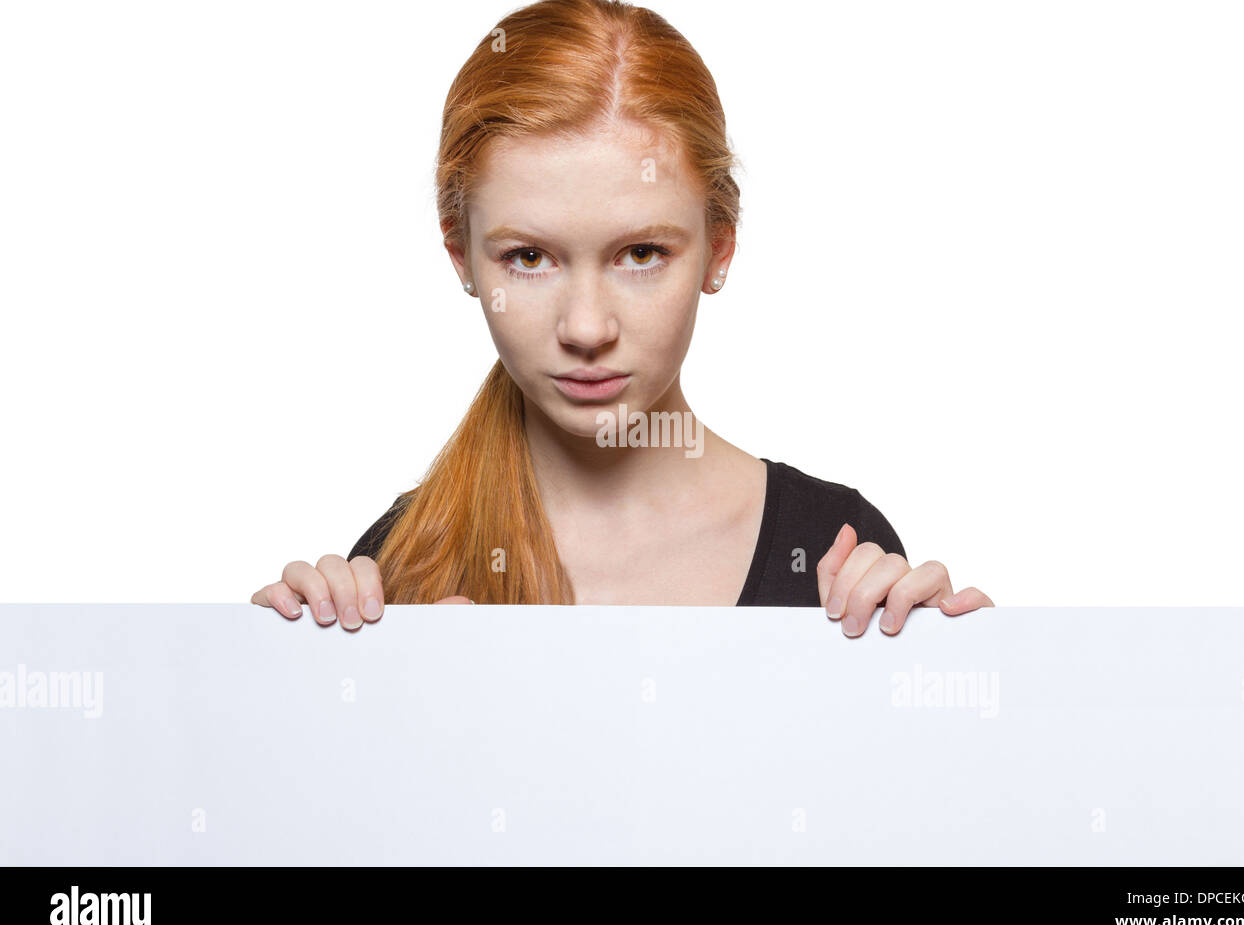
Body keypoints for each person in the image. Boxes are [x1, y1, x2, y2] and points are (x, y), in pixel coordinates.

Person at [251, 0, 993, 637]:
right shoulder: (393, 572)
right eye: (529, 258)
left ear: (719, 248)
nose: (585, 327)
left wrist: (977, 693)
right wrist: (278, 690)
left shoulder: (834, 556)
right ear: (461, 257)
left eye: (640, 253)